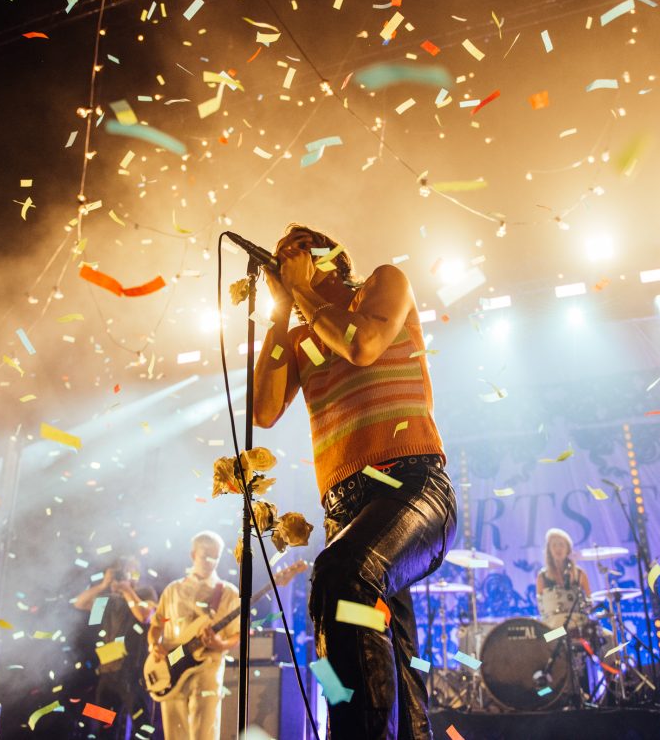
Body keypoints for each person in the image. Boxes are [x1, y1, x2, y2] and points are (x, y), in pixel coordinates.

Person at [253, 224, 457, 739]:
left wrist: (302, 291)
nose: (287, 261)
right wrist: (281, 312)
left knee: (342, 578)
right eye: (282, 258)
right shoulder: (299, 336)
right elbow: (264, 410)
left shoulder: (382, 285)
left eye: (298, 252)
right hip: (345, 511)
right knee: (392, 655)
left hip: (410, 484)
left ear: (331, 257)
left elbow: (362, 344)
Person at [147, 532, 239, 740]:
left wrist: (220, 643)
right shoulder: (173, 590)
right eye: (205, 556)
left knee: (204, 735)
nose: (210, 562)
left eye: (215, 557)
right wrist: (154, 644)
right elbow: (157, 624)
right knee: (175, 735)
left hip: (207, 671)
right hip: (171, 667)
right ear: (193, 555)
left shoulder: (228, 593)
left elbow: (237, 635)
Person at [73, 556, 159, 740]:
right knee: (103, 725)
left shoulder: (145, 593)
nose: (127, 574)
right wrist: (103, 585)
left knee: (142, 726)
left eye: (132, 570)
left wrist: (127, 590)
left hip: (134, 672)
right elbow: (80, 603)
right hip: (107, 671)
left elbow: (144, 616)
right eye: (124, 571)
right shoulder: (109, 600)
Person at [535, 527, 592, 624]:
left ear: (568, 549)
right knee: (547, 634)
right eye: (554, 545)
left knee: (604, 633)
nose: (558, 548)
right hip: (553, 627)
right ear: (549, 550)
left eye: (561, 544)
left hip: (579, 624)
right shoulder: (542, 577)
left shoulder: (580, 574)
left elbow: (589, 600)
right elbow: (541, 607)